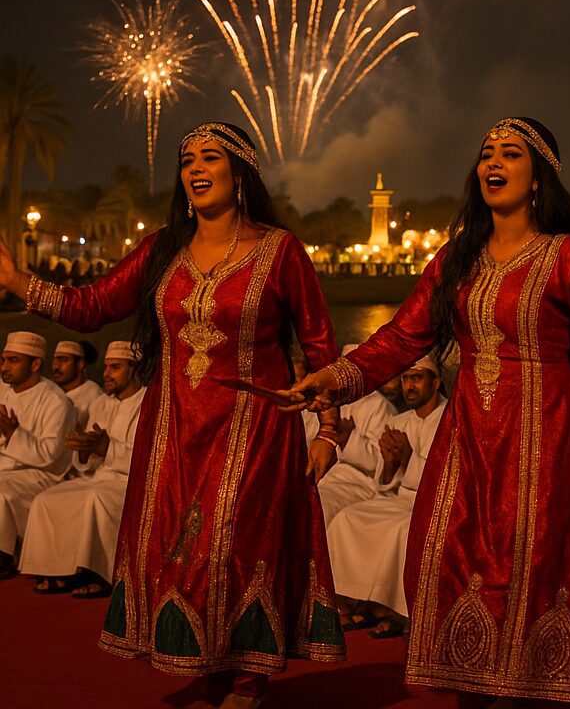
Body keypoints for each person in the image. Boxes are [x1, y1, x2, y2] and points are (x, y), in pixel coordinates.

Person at [290, 117, 570, 705]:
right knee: (447, 556)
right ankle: (472, 688)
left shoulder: (566, 255)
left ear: (539, 178)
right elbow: (401, 338)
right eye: (486, 153)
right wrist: (334, 378)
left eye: (510, 153)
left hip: (543, 436)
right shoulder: (456, 259)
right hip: (469, 436)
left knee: (533, 566)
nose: (493, 162)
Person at [0, 122, 345, 708]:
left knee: (237, 546)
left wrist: (329, 432)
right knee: (182, 551)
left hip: (253, 429)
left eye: (210, 158)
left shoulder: (279, 250)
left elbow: (319, 346)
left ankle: (247, 680)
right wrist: (16, 281)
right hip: (172, 429)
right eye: (187, 161)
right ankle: (209, 669)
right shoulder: (163, 249)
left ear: (240, 173)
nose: (196, 168)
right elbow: (92, 306)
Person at [327, 355, 446, 638]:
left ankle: (396, 612)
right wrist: (391, 465)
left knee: (401, 530)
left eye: (416, 378)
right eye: (405, 379)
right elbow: (384, 483)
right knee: (347, 518)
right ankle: (353, 602)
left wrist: (408, 458)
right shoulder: (399, 421)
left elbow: (447, 473)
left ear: (436, 382)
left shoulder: (450, 419)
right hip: (400, 499)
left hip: (431, 503)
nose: (409, 386)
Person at [20, 341, 146, 597]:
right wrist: (86, 450)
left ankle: (99, 574)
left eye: (115, 367)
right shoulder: (103, 404)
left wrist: (108, 448)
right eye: (107, 367)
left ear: (135, 369)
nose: (106, 373)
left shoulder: (149, 404)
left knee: (95, 499)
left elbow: (149, 456)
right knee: (45, 500)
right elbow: (88, 456)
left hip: (129, 481)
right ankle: (57, 570)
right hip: (98, 475)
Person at [0, 331, 76, 579]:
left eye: (13, 361)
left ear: (35, 365)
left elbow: (51, 455)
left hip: (40, 475)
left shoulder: (56, 401)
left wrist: (14, 434)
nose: (4, 367)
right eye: (3, 360)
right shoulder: (3, 391)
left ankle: (3, 556)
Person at [317, 343, 400, 526]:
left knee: (319, 508)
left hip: (359, 484)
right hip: (328, 478)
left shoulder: (379, 406)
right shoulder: (333, 401)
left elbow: (379, 462)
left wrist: (349, 439)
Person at [51, 339, 104, 430]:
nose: (56, 366)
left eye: (64, 360)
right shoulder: (52, 392)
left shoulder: (95, 397)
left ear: (80, 364)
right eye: (55, 360)